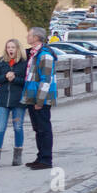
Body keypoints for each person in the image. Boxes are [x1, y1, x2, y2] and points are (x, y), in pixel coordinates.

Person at [20, 27, 57, 170]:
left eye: (29, 35)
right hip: (31, 96)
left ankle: (46, 159)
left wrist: (40, 101)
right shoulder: (34, 54)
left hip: (40, 98)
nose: (27, 37)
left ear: (36, 38)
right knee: (38, 129)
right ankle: (40, 156)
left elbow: (46, 79)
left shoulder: (45, 55)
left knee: (44, 128)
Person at [0, 38, 27, 168]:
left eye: (12, 47)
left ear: (17, 48)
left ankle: (17, 156)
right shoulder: (1, 62)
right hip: (3, 100)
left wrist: (15, 78)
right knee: (0, 128)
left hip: (18, 101)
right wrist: (5, 77)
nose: (10, 49)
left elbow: (26, 81)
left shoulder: (24, 63)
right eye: (8, 47)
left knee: (18, 127)